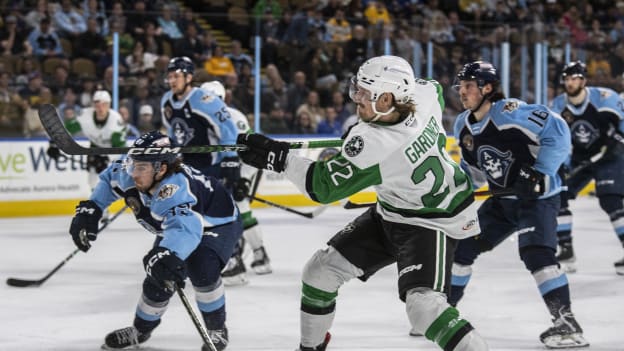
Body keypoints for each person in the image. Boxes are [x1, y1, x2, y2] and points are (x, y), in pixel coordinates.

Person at [236, 55, 488, 351]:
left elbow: (322, 187)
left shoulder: (376, 143)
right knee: (320, 272)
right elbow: (432, 88)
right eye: (357, 90)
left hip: (432, 222)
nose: (357, 99)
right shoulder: (422, 96)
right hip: (393, 212)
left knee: (423, 308)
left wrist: (278, 158)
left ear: (387, 99)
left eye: (365, 94)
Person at [450, 61, 589, 348]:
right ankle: (444, 314)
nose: (462, 92)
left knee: (536, 255)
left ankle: (567, 324)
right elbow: (474, 172)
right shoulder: (462, 124)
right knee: (462, 247)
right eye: (460, 86)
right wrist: (454, 190)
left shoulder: (510, 113)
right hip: (501, 203)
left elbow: (559, 131)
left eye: (468, 86)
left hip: (537, 199)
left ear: (487, 88)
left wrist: (538, 170)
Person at [68, 131, 242, 351]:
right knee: (157, 278)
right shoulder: (131, 170)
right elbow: (108, 179)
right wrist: (92, 209)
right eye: (133, 164)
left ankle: (217, 329)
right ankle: (140, 331)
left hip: (217, 223)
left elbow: (186, 229)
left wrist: (169, 254)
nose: (133, 173)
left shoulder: (175, 189)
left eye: (141, 168)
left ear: (161, 169)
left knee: (201, 267)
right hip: (180, 224)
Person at [550, 60, 624, 275]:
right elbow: (555, 140)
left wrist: (617, 142)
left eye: (574, 78)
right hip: (581, 158)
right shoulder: (557, 106)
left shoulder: (605, 98)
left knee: (610, 200)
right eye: (566, 79)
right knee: (558, 195)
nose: (569, 82)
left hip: (609, 156)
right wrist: (560, 166)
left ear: (583, 80)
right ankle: (566, 251)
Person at [201, 80, 272, 285]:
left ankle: (246, 258)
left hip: (238, 170)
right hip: (216, 173)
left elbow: (250, 151)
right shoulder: (200, 120)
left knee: (236, 209)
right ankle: (237, 258)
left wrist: (242, 178)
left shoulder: (235, 118)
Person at [47, 90, 126, 191]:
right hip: (95, 148)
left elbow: (120, 148)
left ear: (109, 105)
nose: (101, 108)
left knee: (114, 183)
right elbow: (67, 129)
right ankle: (96, 203)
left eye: (104, 104)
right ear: (93, 105)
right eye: (98, 105)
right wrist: (54, 144)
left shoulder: (115, 121)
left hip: (113, 152)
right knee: (92, 180)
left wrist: (107, 157)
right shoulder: (85, 116)